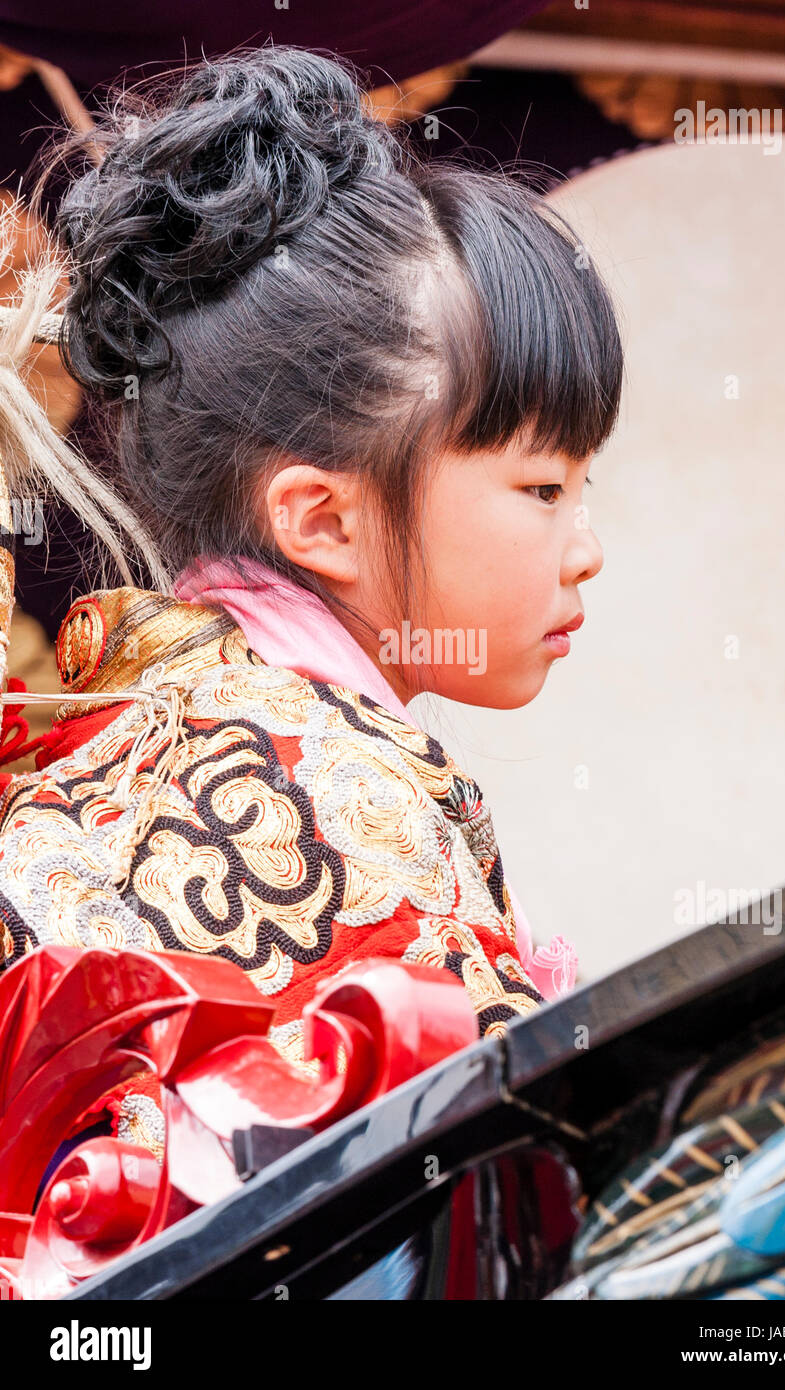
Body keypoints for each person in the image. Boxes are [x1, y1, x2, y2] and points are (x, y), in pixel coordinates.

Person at [0, 45, 621, 1147]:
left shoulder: (164, 721)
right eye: (541, 485)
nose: (587, 549)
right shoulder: (335, 794)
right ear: (320, 518)